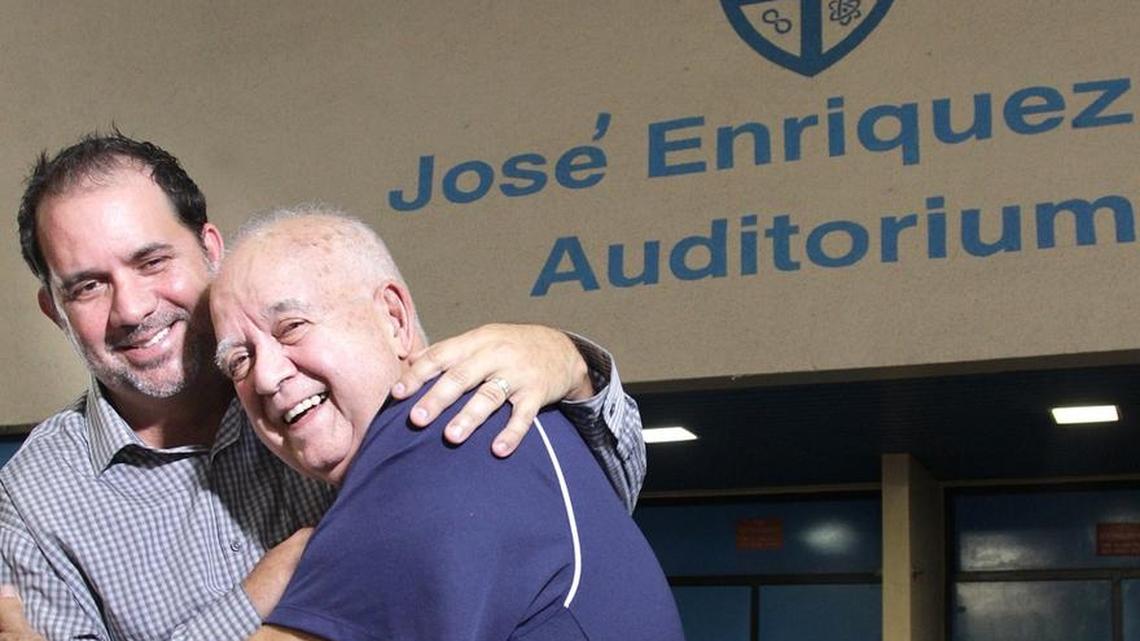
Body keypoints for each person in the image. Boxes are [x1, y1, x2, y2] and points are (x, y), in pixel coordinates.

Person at [0, 132, 646, 641]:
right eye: (87, 286)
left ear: (209, 250)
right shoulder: (33, 498)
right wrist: (263, 592)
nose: (132, 307)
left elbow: (585, 506)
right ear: (54, 310)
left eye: (152, 261)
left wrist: (575, 365)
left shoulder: (369, 396)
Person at [210, 207, 683, 641]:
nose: (267, 377)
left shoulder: (442, 440)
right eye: (239, 361)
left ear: (394, 319)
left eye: (291, 327)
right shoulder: (509, 428)